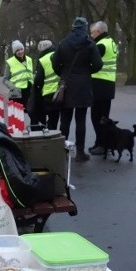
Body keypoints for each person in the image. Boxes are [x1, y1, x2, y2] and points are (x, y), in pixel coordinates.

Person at [52, 17, 103, 162]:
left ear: (73, 28)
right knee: (81, 120)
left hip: (66, 84)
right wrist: (87, 72)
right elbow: (98, 64)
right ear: (85, 28)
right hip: (83, 84)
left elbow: (55, 63)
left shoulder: (63, 43)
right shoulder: (90, 44)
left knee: (65, 119)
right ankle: (80, 152)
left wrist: (63, 73)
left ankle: (62, 151)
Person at [88, 21, 118, 155]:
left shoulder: (100, 45)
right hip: (109, 83)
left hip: (99, 84)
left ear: (99, 32)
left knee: (96, 117)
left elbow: (91, 62)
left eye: (92, 33)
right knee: (104, 117)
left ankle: (102, 144)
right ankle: (104, 143)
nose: (91, 35)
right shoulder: (111, 42)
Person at [29, 39, 61, 131]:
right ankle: (58, 136)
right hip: (61, 91)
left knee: (48, 115)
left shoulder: (43, 60)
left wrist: (36, 92)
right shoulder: (59, 55)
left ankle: (49, 134)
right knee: (56, 117)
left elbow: (38, 79)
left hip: (49, 92)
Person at [2, 40, 33, 108]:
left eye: (22, 49)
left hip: (29, 93)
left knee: (31, 114)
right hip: (17, 94)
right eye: (18, 50)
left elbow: (30, 74)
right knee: (18, 116)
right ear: (14, 52)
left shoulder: (29, 59)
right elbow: (5, 79)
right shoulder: (10, 62)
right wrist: (13, 88)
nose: (20, 52)